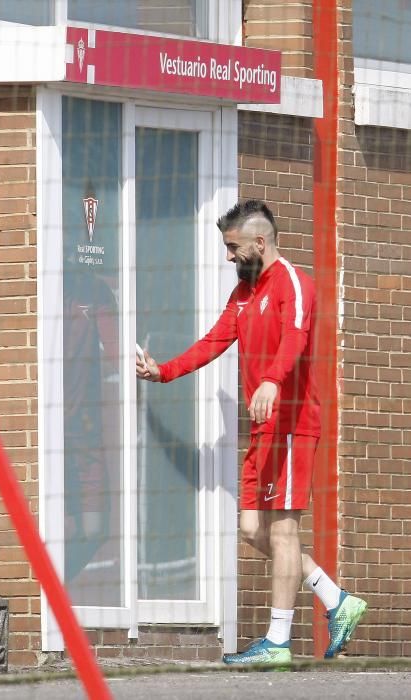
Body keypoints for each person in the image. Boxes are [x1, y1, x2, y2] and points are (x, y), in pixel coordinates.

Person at [136, 199, 367, 666]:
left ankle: (277, 642)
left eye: (232, 247)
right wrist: (163, 372)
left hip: (293, 424)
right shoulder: (243, 295)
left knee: (284, 531)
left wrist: (271, 380)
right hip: (263, 430)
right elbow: (213, 342)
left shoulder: (294, 285)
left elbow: (296, 339)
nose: (228, 257)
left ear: (259, 243)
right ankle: (336, 599)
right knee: (250, 529)